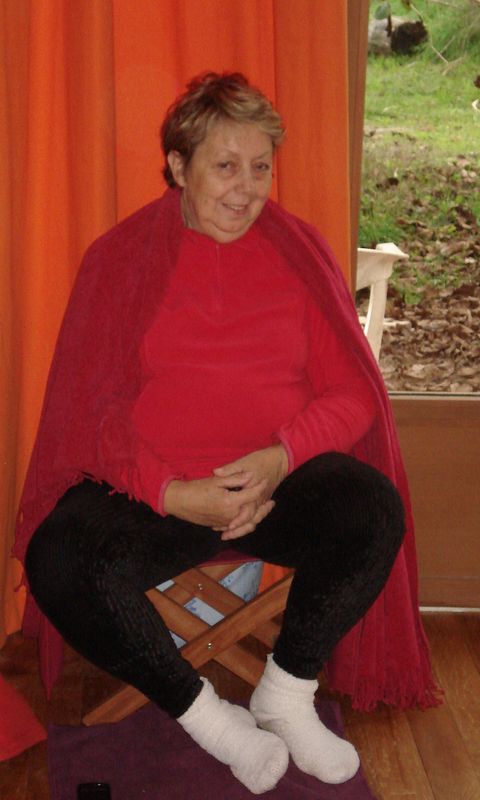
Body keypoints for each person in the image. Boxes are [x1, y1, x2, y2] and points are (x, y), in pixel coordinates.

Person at [16, 72, 426, 795]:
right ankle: (210, 719)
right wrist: (174, 493)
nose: (246, 189)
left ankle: (286, 694)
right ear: (179, 167)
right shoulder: (118, 259)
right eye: (225, 166)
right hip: (157, 495)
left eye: (260, 167)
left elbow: (353, 394)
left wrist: (281, 457)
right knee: (58, 557)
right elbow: (93, 413)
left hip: (274, 486)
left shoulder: (298, 251)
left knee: (372, 507)